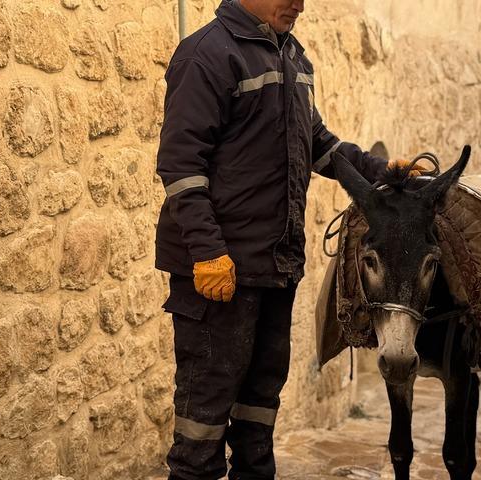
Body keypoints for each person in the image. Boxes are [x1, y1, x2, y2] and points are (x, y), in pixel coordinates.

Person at [155, 1, 422, 478]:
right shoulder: (207, 54)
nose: (298, 3)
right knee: (204, 421)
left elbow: (319, 145)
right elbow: (180, 166)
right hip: (220, 277)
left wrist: (383, 172)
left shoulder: (293, 58)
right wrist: (209, 251)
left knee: (258, 414)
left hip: (275, 270)